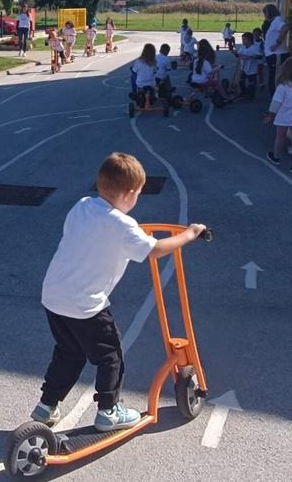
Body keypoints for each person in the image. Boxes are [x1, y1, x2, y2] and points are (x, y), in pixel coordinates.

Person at [32, 153, 207, 431]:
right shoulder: (124, 226)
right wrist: (189, 234)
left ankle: (46, 406)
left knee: (69, 352)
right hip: (85, 305)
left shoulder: (83, 206)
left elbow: (98, 235)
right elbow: (156, 250)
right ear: (129, 194)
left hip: (54, 297)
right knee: (110, 354)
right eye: (138, 193)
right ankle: (109, 410)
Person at [265, 58, 292, 174]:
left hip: (283, 116)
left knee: (280, 137)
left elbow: (276, 103)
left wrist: (270, 115)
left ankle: (276, 157)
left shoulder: (282, 87)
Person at [262, 4, 290, 96]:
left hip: (277, 54)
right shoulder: (273, 22)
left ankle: (276, 96)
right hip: (271, 54)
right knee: (273, 76)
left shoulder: (278, 20)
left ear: (270, 12)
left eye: (265, 12)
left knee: (276, 77)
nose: (264, 15)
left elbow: (285, 28)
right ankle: (274, 96)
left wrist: (277, 43)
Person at [234, 32, 261, 101]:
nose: (243, 41)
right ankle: (244, 92)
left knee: (251, 83)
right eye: (242, 39)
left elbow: (260, 56)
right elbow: (238, 55)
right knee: (241, 81)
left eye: (244, 39)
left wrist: (254, 56)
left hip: (251, 69)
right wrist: (235, 53)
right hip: (244, 68)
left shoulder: (253, 48)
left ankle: (251, 96)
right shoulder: (242, 48)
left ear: (250, 40)